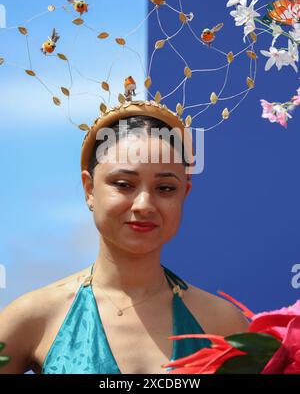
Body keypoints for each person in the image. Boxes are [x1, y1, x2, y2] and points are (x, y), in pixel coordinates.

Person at [0, 101, 249, 374]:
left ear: (184, 194)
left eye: (165, 188)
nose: (144, 204)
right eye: (123, 184)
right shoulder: (35, 316)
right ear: (89, 189)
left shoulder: (224, 325)